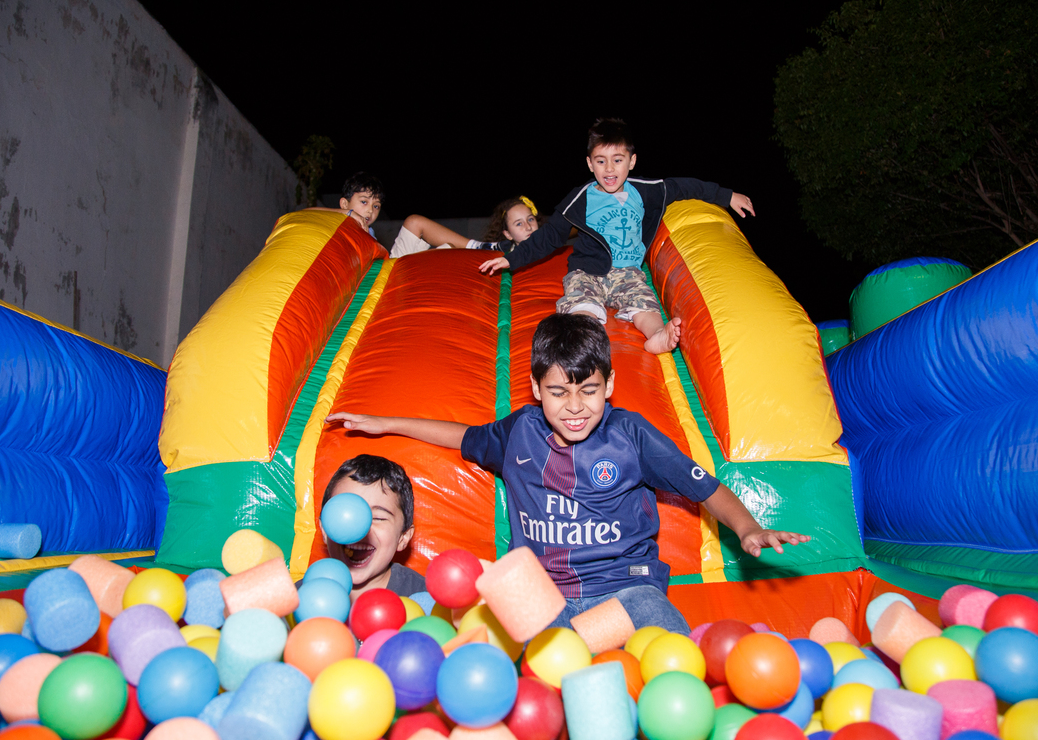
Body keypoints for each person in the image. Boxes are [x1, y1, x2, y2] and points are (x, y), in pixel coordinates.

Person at [327, 314, 808, 633]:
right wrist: (385, 421)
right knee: (513, 661)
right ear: (536, 388)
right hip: (542, 596)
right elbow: (463, 435)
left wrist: (748, 527)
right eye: (559, 392)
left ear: (610, 385)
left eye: (589, 391)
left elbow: (702, 486)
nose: (575, 407)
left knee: (665, 640)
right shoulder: (518, 434)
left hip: (627, 589)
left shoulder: (631, 436)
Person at [478, 119, 755, 355]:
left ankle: (657, 335)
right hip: (588, 270)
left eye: (617, 160)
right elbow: (550, 236)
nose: (609, 169)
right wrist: (510, 260)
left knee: (644, 303)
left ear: (631, 161)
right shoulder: (581, 198)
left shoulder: (645, 190)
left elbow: (685, 186)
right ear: (590, 164)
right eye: (601, 161)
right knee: (580, 302)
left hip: (629, 273)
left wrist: (727, 196)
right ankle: (585, 334)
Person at [319, 454, 426, 599]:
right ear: (325, 529)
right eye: (346, 514)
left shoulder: (425, 601)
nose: (359, 529)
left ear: (403, 537)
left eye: (378, 518)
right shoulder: (298, 599)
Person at [389, 196, 541, 258]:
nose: (528, 227)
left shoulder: (552, 242)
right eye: (519, 223)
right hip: (394, 277)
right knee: (414, 222)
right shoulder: (502, 248)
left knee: (448, 248)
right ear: (507, 234)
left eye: (530, 219)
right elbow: (416, 223)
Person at [324, 172, 385, 238]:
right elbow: (312, 212)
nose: (370, 210)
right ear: (344, 204)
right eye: (364, 202)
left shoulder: (370, 234)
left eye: (376, 206)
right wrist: (349, 213)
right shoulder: (337, 224)